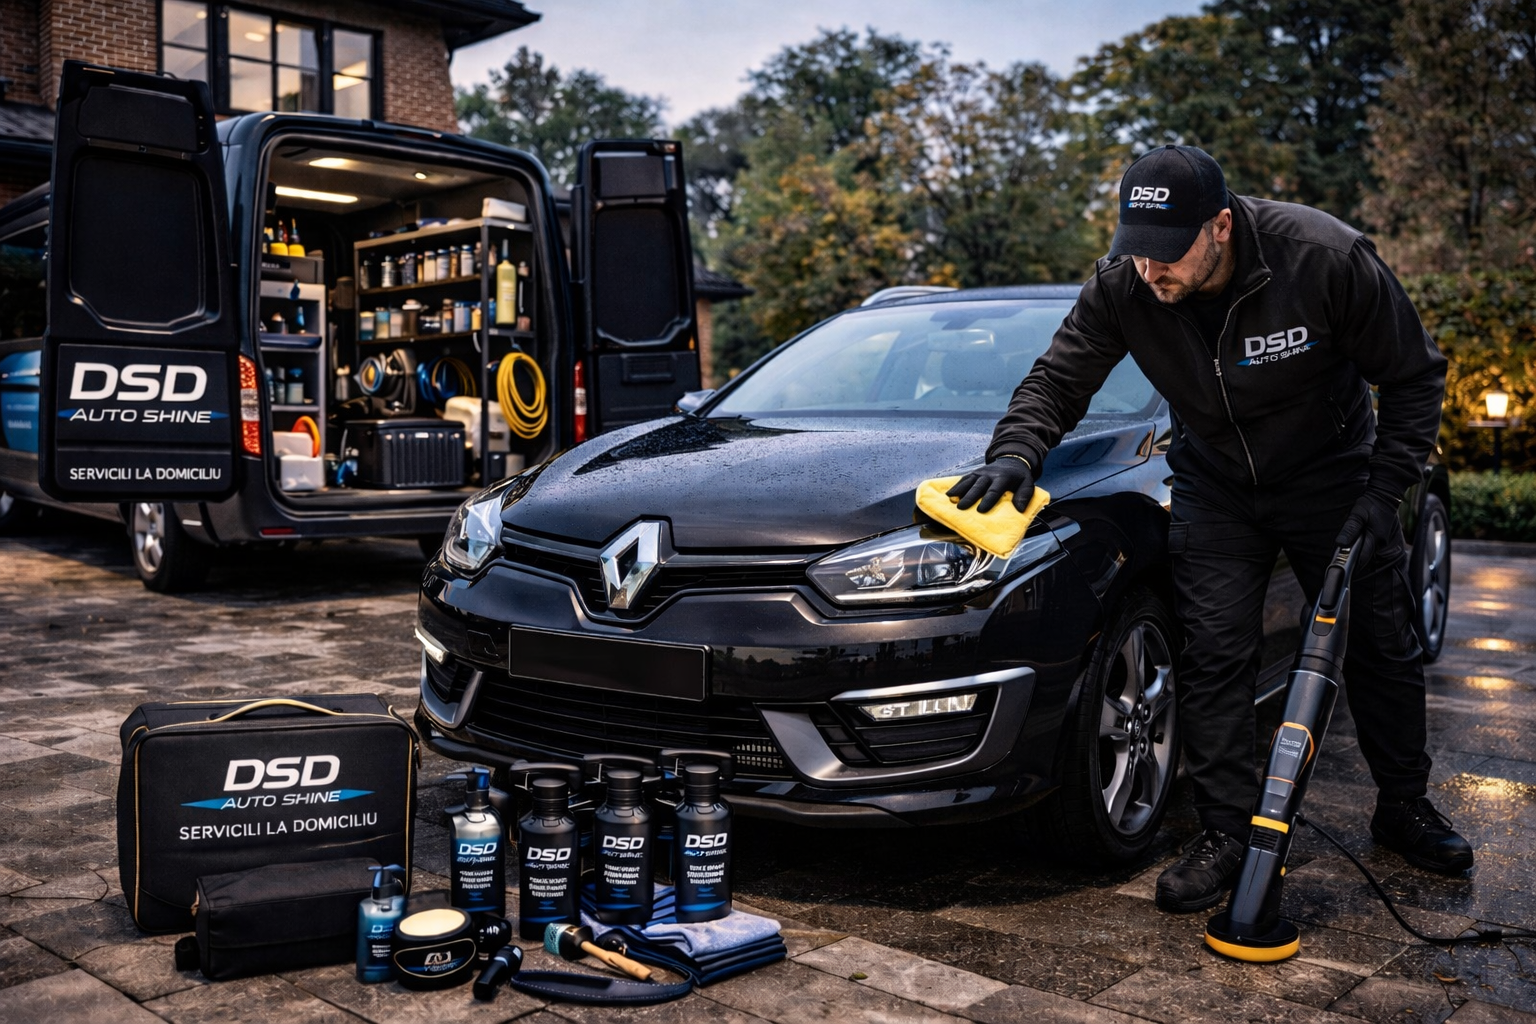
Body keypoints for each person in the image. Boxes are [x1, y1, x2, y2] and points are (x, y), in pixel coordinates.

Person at [950, 144, 1472, 913]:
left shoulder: (1321, 257)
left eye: (1166, 252)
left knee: (1380, 643)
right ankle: (1226, 833)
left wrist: (1383, 489)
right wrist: (1016, 454)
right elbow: (1059, 379)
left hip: (1332, 476)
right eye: (1137, 250)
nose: (1149, 270)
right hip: (1217, 483)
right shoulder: (1123, 285)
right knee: (1216, 656)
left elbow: (1413, 374)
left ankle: (1404, 806)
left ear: (1220, 226)